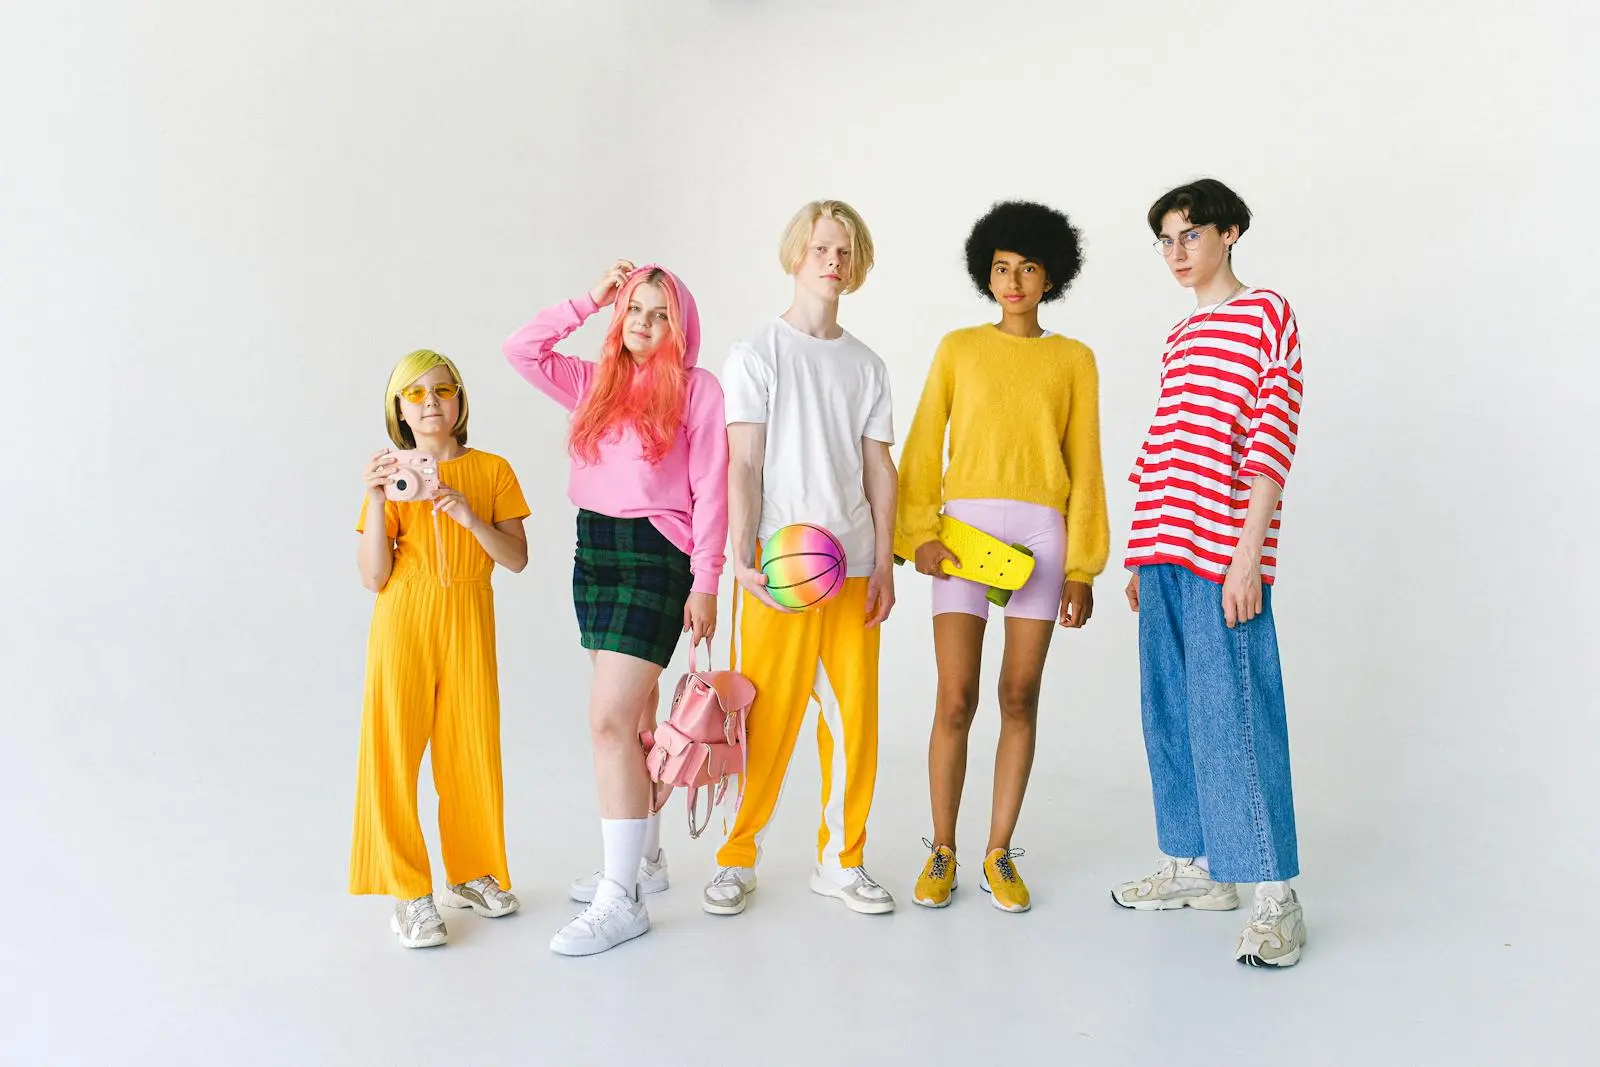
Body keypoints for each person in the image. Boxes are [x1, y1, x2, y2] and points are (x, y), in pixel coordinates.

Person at [504, 260, 728, 956]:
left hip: (659, 553)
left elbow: (713, 489)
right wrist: (588, 296)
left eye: (661, 314)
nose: (644, 323)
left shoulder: (698, 390)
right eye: (634, 308)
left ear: (680, 326)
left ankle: (620, 895)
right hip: (594, 548)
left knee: (605, 720)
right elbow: (521, 348)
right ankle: (647, 861)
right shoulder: (591, 382)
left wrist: (706, 580)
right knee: (632, 717)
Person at [1112, 178, 1308, 967]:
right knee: (1169, 710)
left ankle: (1276, 898)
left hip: (1223, 552)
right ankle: (1197, 867)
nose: (1176, 252)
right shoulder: (1180, 336)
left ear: (1228, 233)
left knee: (1236, 718)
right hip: (1162, 550)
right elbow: (1163, 449)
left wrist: (1248, 555)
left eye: (1189, 234)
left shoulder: (1267, 315)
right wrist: (1138, 549)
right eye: (1164, 239)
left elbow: (1271, 437)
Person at [897, 200, 1108, 913]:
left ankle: (998, 851)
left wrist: (1082, 565)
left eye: (1026, 269)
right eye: (1000, 268)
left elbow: (1086, 464)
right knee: (954, 697)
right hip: (961, 537)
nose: (1011, 281)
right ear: (985, 273)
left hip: (1042, 537)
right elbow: (925, 445)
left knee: (1019, 696)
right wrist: (918, 530)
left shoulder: (1074, 359)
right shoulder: (958, 348)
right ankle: (943, 848)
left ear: (1051, 277)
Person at [701, 199, 898, 917]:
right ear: (796, 255)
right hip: (779, 571)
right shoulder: (756, 353)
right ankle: (735, 855)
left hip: (848, 568)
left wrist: (883, 563)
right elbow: (744, 461)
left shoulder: (868, 364)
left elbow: (880, 468)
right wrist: (739, 554)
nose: (833, 262)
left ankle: (841, 860)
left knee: (853, 721)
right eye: (821, 248)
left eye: (844, 251)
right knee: (760, 718)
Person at [350, 349, 531, 949]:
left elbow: (516, 559)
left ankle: (474, 872)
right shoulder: (395, 475)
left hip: (470, 617)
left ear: (459, 399)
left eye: (443, 390)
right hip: (404, 617)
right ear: (399, 410)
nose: (431, 403)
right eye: (416, 394)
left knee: (471, 746)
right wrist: (378, 498)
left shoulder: (493, 469)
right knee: (394, 751)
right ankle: (408, 892)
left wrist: (470, 518)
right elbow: (374, 577)